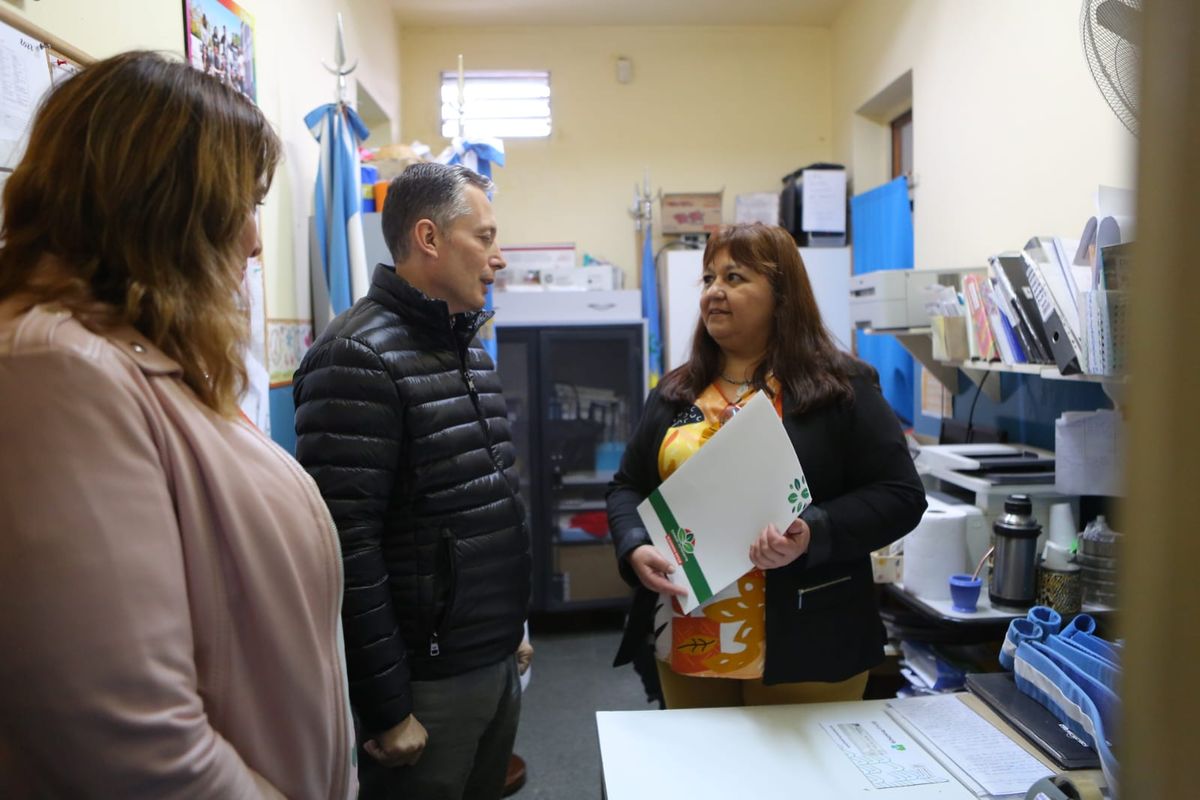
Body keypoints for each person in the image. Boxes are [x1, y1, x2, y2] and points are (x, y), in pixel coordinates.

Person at [0, 52, 355, 798]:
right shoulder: (58, 368)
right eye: (243, 204)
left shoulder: (144, 360)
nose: (256, 241)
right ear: (163, 205)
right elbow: (129, 739)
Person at [607, 223, 927, 709]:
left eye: (734, 277)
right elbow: (627, 487)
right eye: (709, 278)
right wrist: (635, 544)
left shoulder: (840, 387)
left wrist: (813, 530)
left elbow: (900, 495)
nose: (714, 291)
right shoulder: (675, 393)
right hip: (690, 636)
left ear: (781, 296)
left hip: (810, 637)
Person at [293, 162, 532, 800]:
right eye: (484, 238)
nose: (498, 258)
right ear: (429, 238)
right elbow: (346, 544)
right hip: (425, 684)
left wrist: (512, 627)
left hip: (491, 656)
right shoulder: (356, 356)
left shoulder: (467, 346)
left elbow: (490, 504)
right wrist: (388, 706)